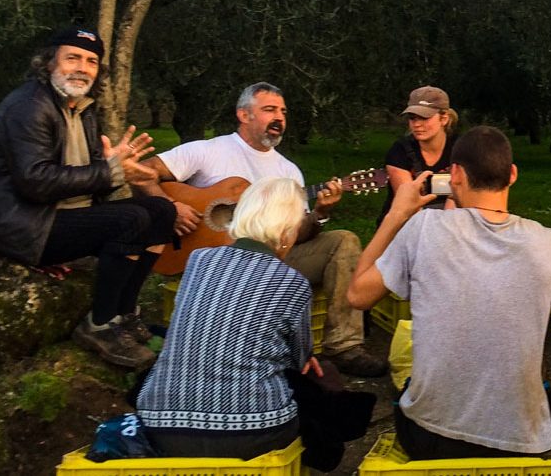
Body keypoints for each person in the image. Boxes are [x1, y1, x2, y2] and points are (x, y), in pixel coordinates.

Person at [139, 82, 386, 377]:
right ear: (244, 115)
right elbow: (143, 171)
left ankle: (343, 346)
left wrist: (320, 213)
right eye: (269, 110)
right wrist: (170, 207)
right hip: (208, 262)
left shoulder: (288, 172)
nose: (279, 117)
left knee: (343, 240)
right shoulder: (208, 151)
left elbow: (298, 236)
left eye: (283, 111)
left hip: (271, 262)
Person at [347, 126, 551, 459]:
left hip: (432, 438)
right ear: (513, 175)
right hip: (523, 442)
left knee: (406, 386)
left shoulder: (423, 229)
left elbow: (357, 296)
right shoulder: (545, 241)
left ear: (455, 174)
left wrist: (397, 214)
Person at [0, 27, 177, 369]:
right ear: (49, 63)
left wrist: (120, 173)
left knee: (160, 211)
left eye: (92, 61)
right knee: (132, 220)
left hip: (62, 215)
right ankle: (100, 324)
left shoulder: (82, 109)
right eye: (73, 58)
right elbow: (35, 181)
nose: (82, 67)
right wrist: (110, 172)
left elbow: (88, 178)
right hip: (24, 225)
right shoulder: (29, 107)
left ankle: (123, 313)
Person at [137, 178, 361, 461]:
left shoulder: (198, 260)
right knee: (323, 377)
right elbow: (299, 362)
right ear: (287, 232)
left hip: (159, 427)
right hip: (254, 430)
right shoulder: (292, 282)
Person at [379, 86, 459, 220]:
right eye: (412, 118)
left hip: (451, 223)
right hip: (407, 225)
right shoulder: (400, 151)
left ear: (444, 119)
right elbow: (410, 206)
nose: (416, 124)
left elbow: (460, 196)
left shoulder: (461, 148)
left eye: (424, 118)